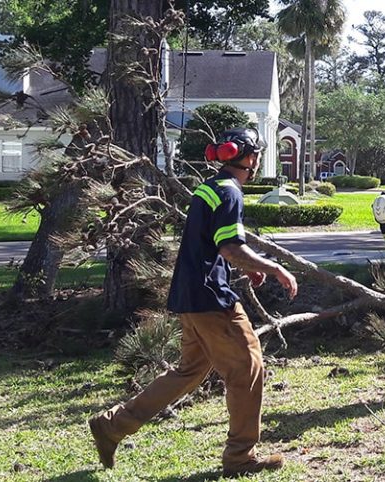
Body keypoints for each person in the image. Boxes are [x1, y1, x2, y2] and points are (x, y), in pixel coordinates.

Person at [88, 127, 298, 478]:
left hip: (189, 296)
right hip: (211, 300)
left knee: (189, 372)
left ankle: (112, 426)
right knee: (249, 369)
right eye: (257, 154)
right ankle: (240, 456)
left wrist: (248, 266)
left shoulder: (210, 188)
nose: (258, 160)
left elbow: (215, 244)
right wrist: (273, 266)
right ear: (248, 157)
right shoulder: (230, 192)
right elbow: (229, 246)